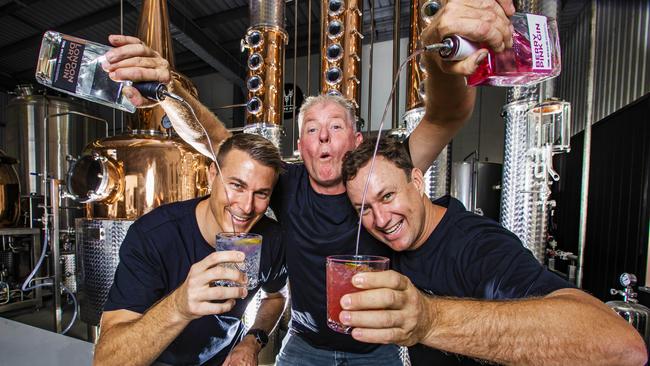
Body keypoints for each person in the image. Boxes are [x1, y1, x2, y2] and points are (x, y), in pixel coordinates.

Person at [101, 0, 518, 363]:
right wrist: (168, 90)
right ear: (299, 144)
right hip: (304, 346)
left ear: (356, 139)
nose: (323, 137)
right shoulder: (284, 183)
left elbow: (444, 117)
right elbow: (215, 139)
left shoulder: (380, 174)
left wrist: (443, 56)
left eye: (335, 127)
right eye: (312, 129)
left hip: (378, 349)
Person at [339, 136, 648, 366]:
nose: (380, 219)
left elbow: (621, 346)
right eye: (364, 208)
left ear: (417, 181)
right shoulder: (385, 244)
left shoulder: (479, 246)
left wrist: (430, 319)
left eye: (388, 196)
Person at [94, 134, 288, 366]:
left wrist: (252, 341)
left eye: (261, 193)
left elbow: (276, 296)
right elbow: (106, 361)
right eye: (237, 186)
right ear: (212, 175)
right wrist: (179, 306)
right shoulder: (154, 236)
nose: (246, 207)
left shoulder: (271, 238)